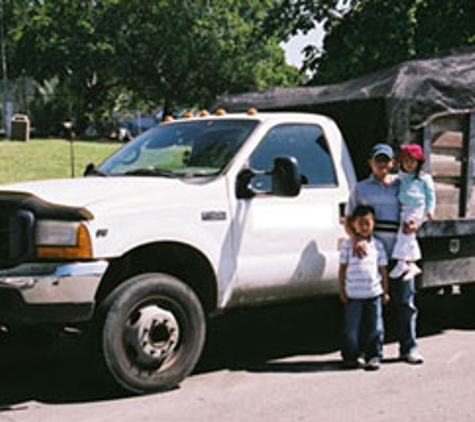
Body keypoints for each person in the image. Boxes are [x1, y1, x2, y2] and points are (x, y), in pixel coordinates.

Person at [345, 143, 424, 364]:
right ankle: (367, 352)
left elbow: (419, 208)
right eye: (377, 160)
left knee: (406, 302)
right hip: (371, 257)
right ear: (370, 162)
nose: (382, 164)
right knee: (369, 306)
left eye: (386, 160)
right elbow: (349, 220)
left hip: (401, 253)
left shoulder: (403, 186)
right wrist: (356, 240)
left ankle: (409, 348)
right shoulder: (360, 189)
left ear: (393, 163)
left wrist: (415, 225)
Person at [339, 205, 390, 370]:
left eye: (368, 223)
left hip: (373, 294)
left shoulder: (378, 245)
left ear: (374, 224)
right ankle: (351, 356)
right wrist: (341, 290)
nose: (365, 227)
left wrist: (385, 291)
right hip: (353, 295)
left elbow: (382, 270)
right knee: (351, 329)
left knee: (375, 327)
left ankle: (374, 355)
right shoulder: (348, 245)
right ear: (353, 225)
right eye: (360, 223)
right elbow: (342, 269)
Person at [389, 144, 435, 280]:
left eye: (413, 161)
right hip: (405, 209)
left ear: (419, 162)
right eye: (406, 161)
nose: (409, 164)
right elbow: (393, 179)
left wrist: (430, 211)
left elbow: (430, 196)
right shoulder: (402, 177)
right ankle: (412, 264)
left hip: (417, 209)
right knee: (408, 236)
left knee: (405, 232)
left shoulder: (424, 178)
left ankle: (402, 262)